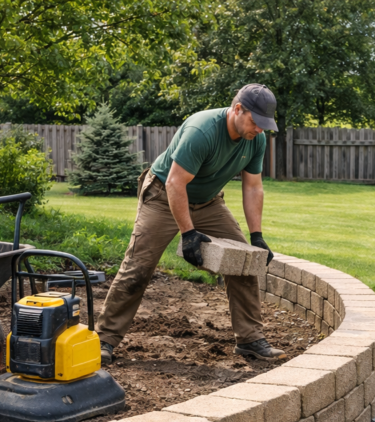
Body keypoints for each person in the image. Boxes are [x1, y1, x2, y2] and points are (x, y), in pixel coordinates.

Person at [97, 83, 286, 364]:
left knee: (244, 261)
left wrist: (256, 236)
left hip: (208, 202)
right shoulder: (203, 130)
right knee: (138, 266)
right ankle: (104, 340)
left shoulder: (255, 139)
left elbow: (253, 188)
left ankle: (249, 339)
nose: (259, 129)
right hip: (163, 195)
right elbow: (175, 183)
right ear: (237, 110)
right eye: (256, 121)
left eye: (264, 125)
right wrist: (188, 234)